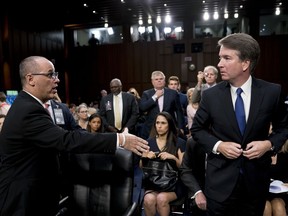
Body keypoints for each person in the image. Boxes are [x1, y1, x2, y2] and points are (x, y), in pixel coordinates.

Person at [0, 56, 149, 216]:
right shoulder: (28, 109)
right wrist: (120, 139)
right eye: (50, 75)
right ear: (31, 79)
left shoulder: (28, 105)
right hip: (23, 200)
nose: (56, 80)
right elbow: (66, 140)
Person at [191, 33, 288, 216]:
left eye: (227, 58)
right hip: (219, 186)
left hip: (255, 185)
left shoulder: (272, 92)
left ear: (245, 63)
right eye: (220, 57)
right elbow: (197, 129)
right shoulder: (211, 96)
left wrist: (268, 144)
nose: (219, 64)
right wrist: (219, 146)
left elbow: (284, 128)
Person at [141, 112, 186, 216]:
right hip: (154, 182)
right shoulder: (148, 142)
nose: (159, 126)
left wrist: (173, 158)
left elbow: (184, 168)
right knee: (148, 199)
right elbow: (141, 167)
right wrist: (145, 157)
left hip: (174, 184)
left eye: (163, 123)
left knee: (161, 199)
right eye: (157, 123)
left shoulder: (179, 142)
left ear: (169, 125)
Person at [139, 71, 185, 139]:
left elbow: (179, 111)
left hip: (170, 127)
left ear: (164, 81)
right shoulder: (147, 93)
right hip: (151, 128)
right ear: (152, 81)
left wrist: (181, 128)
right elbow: (142, 108)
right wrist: (154, 97)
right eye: (156, 79)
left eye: (161, 79)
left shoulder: (173, 93)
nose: (159, 81)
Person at [179, 137, 207, 216]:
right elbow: (185, 170)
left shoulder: (228, 141)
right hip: (198, 185)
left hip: (222, 189)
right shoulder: (193, 142)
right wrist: (197, 191)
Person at [263, 139, 288, 216]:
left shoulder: (285, 154)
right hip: (261, 193)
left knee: (278, 206)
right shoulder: (258, 153)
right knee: (265, 207)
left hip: (282, 193)